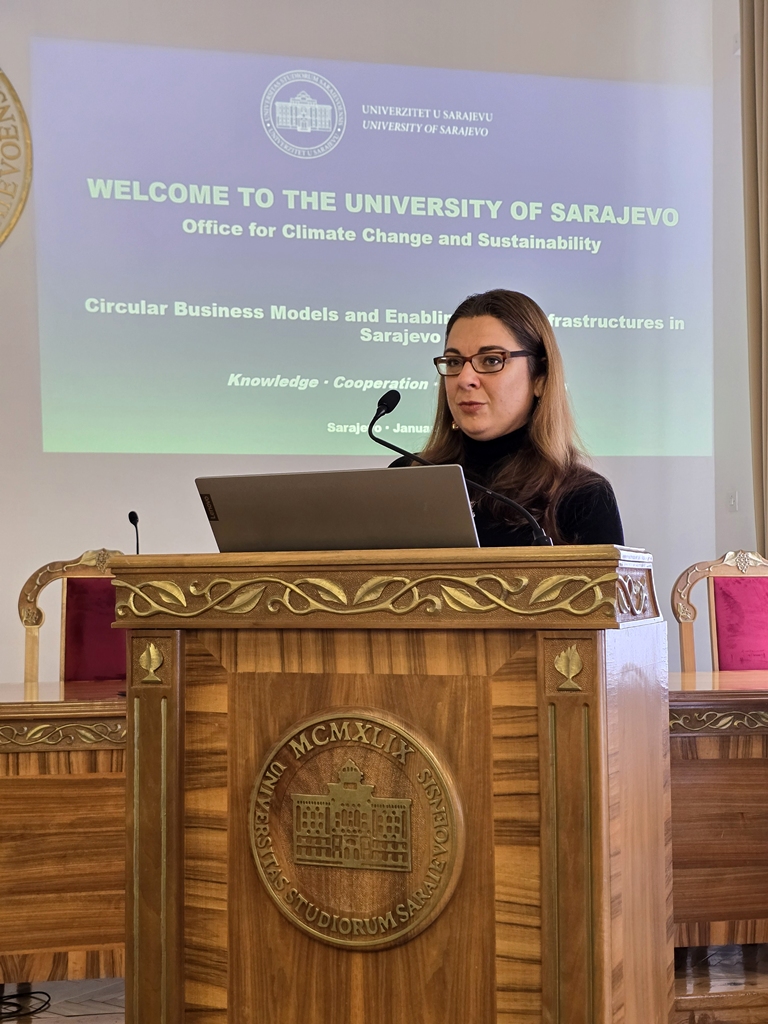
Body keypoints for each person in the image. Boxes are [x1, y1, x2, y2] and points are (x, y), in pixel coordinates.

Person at [390, 289, 624, 546]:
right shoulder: (406, 478)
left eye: (491, 360)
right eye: (455, 362)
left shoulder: (583, 497)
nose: (465, 379)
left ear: (540, 378)